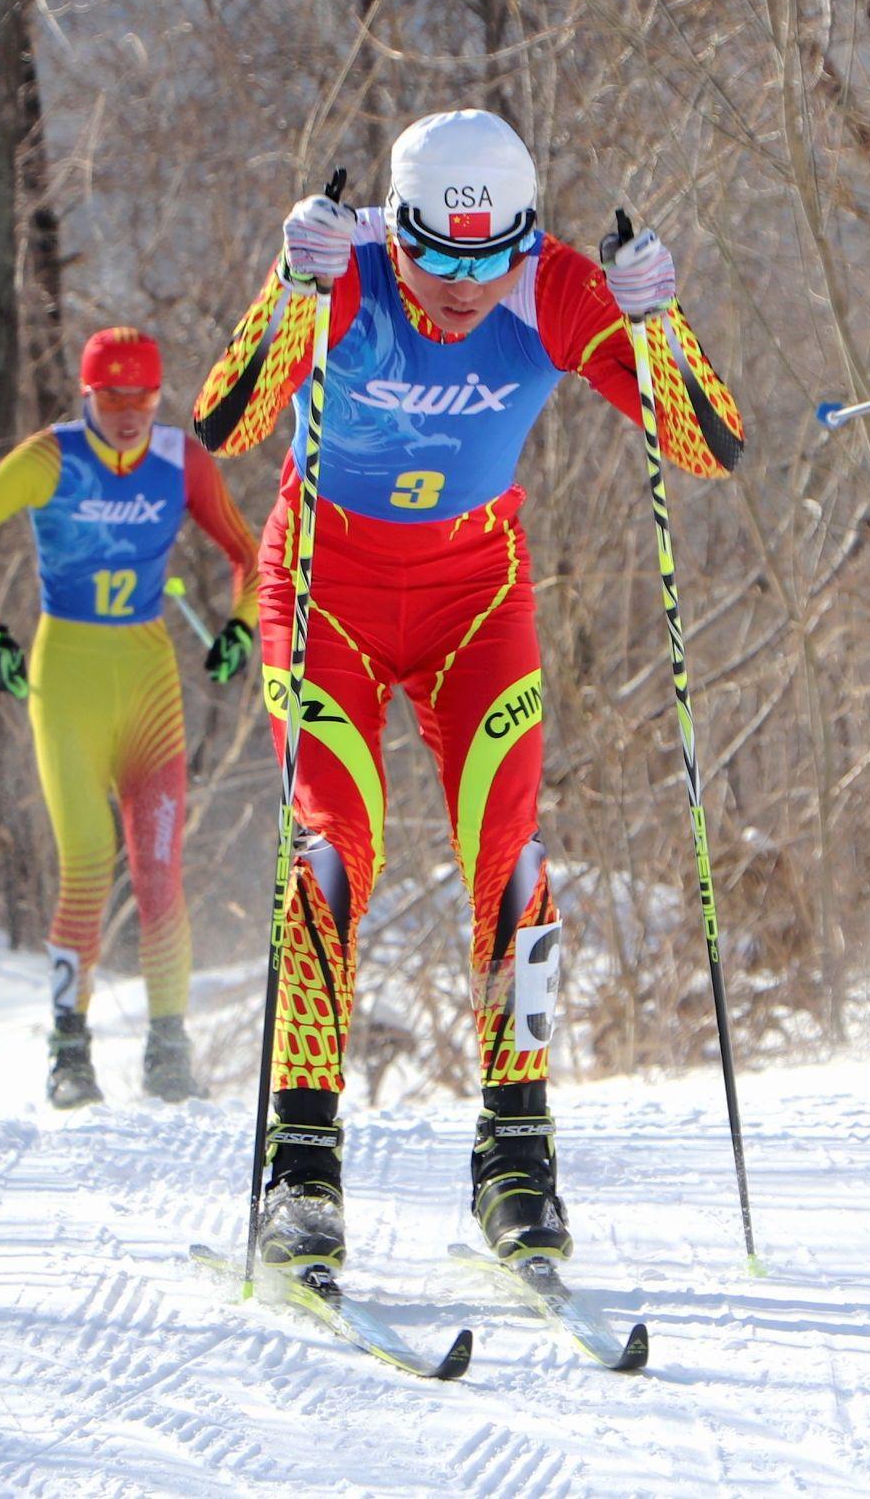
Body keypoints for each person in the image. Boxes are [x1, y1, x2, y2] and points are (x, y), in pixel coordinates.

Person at [191, 109, 743, 1274]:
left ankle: (516, 1157)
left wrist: (659, 321)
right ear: (399, 233)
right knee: (336, 847)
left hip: (471, 599)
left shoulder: (553, 289)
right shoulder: (352, 273)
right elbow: (228, 423)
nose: (457, 288)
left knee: (515, 858)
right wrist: (291, 288)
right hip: (322, 587)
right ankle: (298, 1166)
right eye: (433, 255)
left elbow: (705, 445)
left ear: (525, 240)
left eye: (486, 260)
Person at [0, 327, 263, 1108]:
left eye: (141, 398)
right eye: (111, 398)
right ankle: (69, 1052)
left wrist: (243, 628)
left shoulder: (183, 460)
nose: (127, 414)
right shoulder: (52, 457)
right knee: (85, 867)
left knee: (159, 877)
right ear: (88, 395)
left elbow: (250, 555)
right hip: (67, 681)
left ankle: (168, 1049)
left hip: (148, 684)